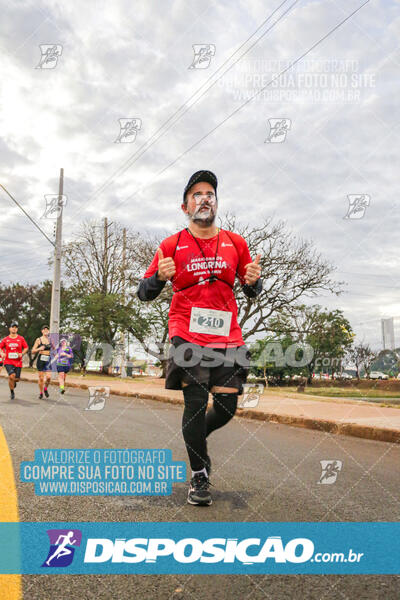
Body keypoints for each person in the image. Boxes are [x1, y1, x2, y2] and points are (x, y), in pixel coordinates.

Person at [137, 170, 262, 506]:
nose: (205, 198)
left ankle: (196, 438)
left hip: (227, 336)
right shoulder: (171, 245)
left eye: (210, 193)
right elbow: (143, 293)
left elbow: (251, 290)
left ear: (216, 202)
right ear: (185, 206)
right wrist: (159, 279)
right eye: (197, 194)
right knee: (194, 404)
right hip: (187, 333)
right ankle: (199, 475)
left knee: (226, 408)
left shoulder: (236, 243)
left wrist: (252, 281)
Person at [0, 322, 29, 400]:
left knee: (17, 379)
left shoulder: (21, 338)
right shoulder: (6, 339)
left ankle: (14, 382)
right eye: (13, 327)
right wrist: (2, 353)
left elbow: (26, 348)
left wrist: (21, 354)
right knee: (11, 375)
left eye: (16, 327)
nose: (14, 328)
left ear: (17, 329)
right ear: (10, 329)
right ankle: (12, 391)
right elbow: (0, 347)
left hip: (18, 362)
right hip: (8, 361)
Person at [31, 325, 52, 399]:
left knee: (49, 377)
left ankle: (45, 388)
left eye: (47, 329)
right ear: (42, 331)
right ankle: (41, 392)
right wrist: (39, 349)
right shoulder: (38, 340)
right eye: (44, 329)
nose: (46, 330)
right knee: (41, 378)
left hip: (48, 359)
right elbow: (33, 351)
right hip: (41, 359)